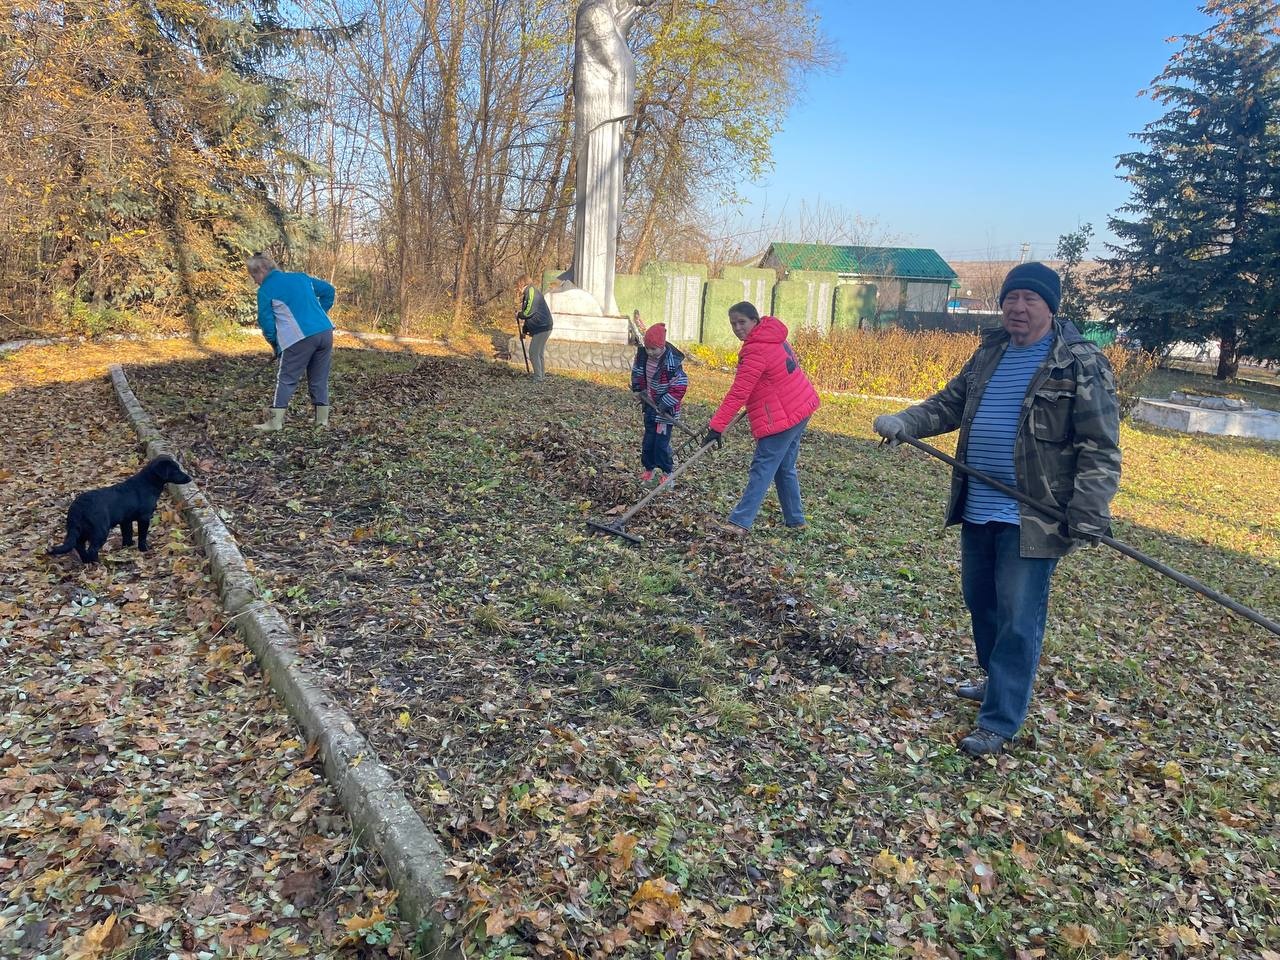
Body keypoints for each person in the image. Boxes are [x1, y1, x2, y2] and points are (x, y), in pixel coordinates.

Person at [873, 262, 1121, 757]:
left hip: (1034, 515)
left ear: (1051, 307)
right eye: (1012, 298)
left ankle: (1001, 717)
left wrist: (1089, 508)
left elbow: (1100, 445)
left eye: (1030, 299)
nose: (1017, 307)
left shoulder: (1078, 363)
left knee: (1017, 615)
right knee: (980, 601)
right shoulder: (989, 354)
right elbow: (948, 405)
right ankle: (995, 681)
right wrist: (905, 421)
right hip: (979, 503)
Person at [703, 302, 820, 535]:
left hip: (784, 416)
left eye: (742, 322)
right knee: (784, 466)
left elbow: (738, 392)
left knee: (763, 467)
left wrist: (716, 427)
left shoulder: (756, 349)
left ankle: (739, 522)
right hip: (801, 406)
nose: (737, 328)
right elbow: (782, 369)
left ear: (755, 320)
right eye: (733, 324)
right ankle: (795, 520)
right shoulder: (773, 335)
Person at [246, 252, 336, 431]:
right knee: (319, 378)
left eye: (254, 275)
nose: (255, 281)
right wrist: (320, 314)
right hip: (325, 332)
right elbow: (329, 291)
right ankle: (322, 422)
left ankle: (275, 422)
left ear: (262, 270)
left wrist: (275, 344)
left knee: (286, 378)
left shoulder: (266, 290)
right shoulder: (301, 278)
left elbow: (267, 322)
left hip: (300, 338)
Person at [630, 322, 688, 484]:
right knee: (648, 441)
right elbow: (638, 373)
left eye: (653, 349)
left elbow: (679, 387)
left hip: (665, 411)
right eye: (648, 348)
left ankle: (667, 472)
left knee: (661, 443)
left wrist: (664, 405)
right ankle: (649, 469)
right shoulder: (643, 357)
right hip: (649, 406)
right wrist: (638, 389)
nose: (650, 352)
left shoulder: (671, 364)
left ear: (662, 346)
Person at [515, 275, 554, 382]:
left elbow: (528, 312)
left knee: (533, 352)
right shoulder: (529, 293)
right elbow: (531, 315)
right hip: (543, 326)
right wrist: (524, 331)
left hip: (542, 327)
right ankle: (541, 375)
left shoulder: (531, 291)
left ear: (522, 284)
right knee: (539, 352)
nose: (517, 289)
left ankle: (538, 377)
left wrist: (519, 314)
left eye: (517, 286)